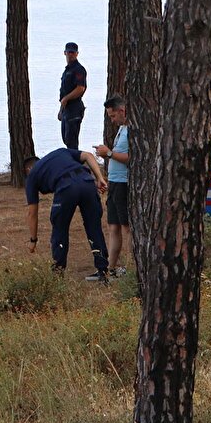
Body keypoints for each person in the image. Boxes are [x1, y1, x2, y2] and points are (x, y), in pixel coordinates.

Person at [24, 147, 111, 283]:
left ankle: (58, 274)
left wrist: (33, 240)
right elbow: (88, 155)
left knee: (60, 229)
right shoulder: (60, 152)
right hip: (87, 182)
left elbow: (32, 213)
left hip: (66, 188)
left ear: (28, 170)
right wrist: (99, 178)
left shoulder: (32, 176)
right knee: (94, 227)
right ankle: (103, 271)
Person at [94, 96, 130, 277]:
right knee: (113, 226)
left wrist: (108, 153)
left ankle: (133, 267)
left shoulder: (132, 130)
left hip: (125, 183)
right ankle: (111, 267)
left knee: (126, 226)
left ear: (122, 111)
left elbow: (132, 158)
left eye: (112, 115)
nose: (112, 120)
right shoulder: (121, 129)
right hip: (115, 183)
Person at [58, 42, 88, 149]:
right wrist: (61, 109)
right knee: (66, 139)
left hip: (75, 108)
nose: (70, 54)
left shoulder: (79, 69)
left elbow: (80, 88)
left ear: (77, 54)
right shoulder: (67, 70)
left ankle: (75, 164)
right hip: (66, 109)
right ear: (64, 53)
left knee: (72, 142)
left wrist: (66, 98)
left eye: (73, 52)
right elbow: (64, 93)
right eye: (68, 52)